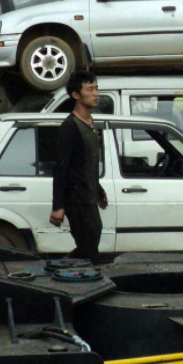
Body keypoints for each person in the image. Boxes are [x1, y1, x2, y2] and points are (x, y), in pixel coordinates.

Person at [50, 70, 108, 263]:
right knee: (89, 247)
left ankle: (63, 267)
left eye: (96, 88)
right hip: (76, 199)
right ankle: (63, 269)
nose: (96, 94)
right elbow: (60, 168)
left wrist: (98, 189)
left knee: (91, 241)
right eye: (90, 89)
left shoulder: (91, 123)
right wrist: (58, 206)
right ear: (76, 95)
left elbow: (87, 163)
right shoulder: (70, 127)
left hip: (89, 196)